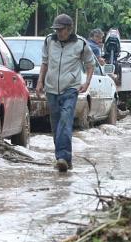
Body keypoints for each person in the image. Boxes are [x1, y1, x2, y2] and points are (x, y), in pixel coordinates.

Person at [36, 13, 96, 173]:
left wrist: (87, 83)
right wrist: (40, 82)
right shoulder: (49, 41)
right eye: (56, 29)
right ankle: (64, 160)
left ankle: (62, 157)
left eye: (61, 29)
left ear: (70, 29)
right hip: (51, 89)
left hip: (70, 89)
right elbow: (44, 62)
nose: (58, 32)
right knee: (56, 126)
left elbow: (90, 64)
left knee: (65, 120)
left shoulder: (81, 43)